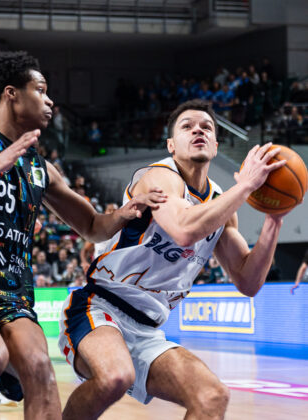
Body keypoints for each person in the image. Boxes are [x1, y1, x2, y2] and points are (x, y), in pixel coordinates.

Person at [0, 50, 165, 420]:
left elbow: (92, 226)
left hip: (12, 293)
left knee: (41, 370)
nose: (50, 100)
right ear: (12, 94)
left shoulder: (42, 168)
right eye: (40, 90)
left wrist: (125, 212)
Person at [58, 99, 292, 420]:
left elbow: (248, 280)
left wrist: (274, 219)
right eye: (187, 126)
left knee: (211, 397)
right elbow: (183, 231)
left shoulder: (221, 204)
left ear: (215, 144)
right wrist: (246, 186)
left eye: (206, 127)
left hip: (149, 330)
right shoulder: (158, 177)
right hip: (99, 308)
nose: (198, 129)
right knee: (115, 376)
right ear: (171, 145)